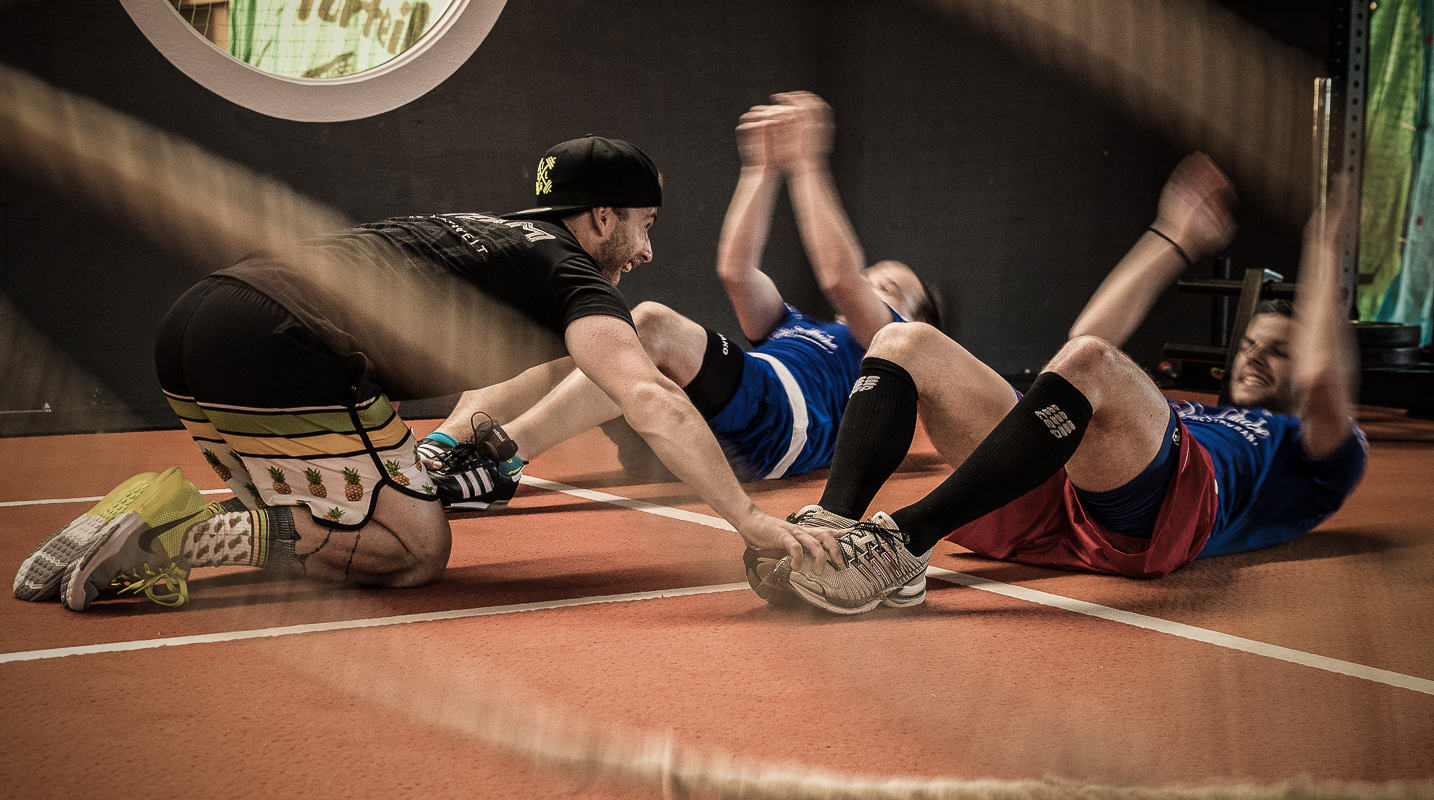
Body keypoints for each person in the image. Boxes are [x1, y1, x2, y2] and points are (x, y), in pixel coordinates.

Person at [14, 135, 842, 612]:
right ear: (601, 218)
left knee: (331, 499)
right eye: (644, 226)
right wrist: (749, 520)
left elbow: (512, 371)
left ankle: (144, 509)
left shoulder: (488, 237)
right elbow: (648, 396)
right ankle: (180, 536)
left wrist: (461, 447)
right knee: (415, 547)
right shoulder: (572, 276)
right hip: (281, 344)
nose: (648, 251)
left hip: (195, 325)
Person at [756, 153, 1367, 614]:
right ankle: (827, 535)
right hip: (1055, 491)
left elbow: (1318, 379)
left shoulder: (1312, 451)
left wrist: (1323, 245)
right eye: (1252, 344)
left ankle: (905, 542)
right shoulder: (1187, 409)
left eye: (1279, 350)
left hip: (1165, 516)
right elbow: (1083, 340)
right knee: (901, 341)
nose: (1257, 358)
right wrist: (1173, 237)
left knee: (1093, 363)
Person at [416, 92, 942, 511]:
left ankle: (499, 460)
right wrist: (762, 168)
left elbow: (839, 278)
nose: (875, 288)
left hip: (775, 427)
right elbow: (736, 271)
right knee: (569, 335)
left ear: (916, 321)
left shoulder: (894, 345)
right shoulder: (796, 326)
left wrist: (806, 165)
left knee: (646, 324)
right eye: (877, 277)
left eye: (892, 290)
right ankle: (439, 446)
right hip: (701, 430)